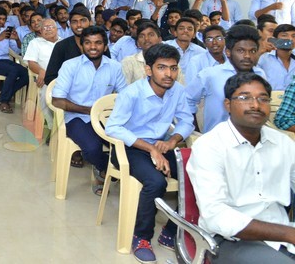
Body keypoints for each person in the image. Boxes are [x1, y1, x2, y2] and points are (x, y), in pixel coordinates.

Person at [188, 72, 295, 263]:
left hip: (282, 232)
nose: (255, 105)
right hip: (231, 239)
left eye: (263, 99)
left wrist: (287, 233)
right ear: (227, 105)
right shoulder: (209, 146)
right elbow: (216, 216)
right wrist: (287, 233)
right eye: (245, 98)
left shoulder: (283, 143)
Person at [104, 43, 194, 262]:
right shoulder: (132, 93)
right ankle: (141, 237)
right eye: (162, 67)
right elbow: (113, 127)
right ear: (148, 70)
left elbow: (187, 119)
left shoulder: (177, 91)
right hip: (129, 148)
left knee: (194, 175)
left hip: (161, 145)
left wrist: (173, 140)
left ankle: (171, 232)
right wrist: (151, 148)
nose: (169, 74)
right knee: (156, 182)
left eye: (173, 68)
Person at [52, 26, 126, 182]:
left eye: (98, 43)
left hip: (106, 118)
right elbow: (57, 100)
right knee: (92, 148)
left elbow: (125, 96)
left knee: (127, 145)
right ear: (82, 45)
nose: (93, 47)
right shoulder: (70, 66)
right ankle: (107, 170)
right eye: (88, 43)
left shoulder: (115, 67)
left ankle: (113, 171)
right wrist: (89, 111)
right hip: (76, 118)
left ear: (105, 46)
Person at [187, 25, 266, 133]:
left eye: (252, 51)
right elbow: (187, 100)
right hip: (217, 140)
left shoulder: (260, 74)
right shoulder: (210, 74)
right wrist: (194, 130)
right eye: (241, 51)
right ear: (228, 52)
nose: (247, 56)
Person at [257, 24, 295, 90]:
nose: (290, 39)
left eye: (294, 36)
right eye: (284, 35)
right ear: (275, 39)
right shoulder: (263, 58)